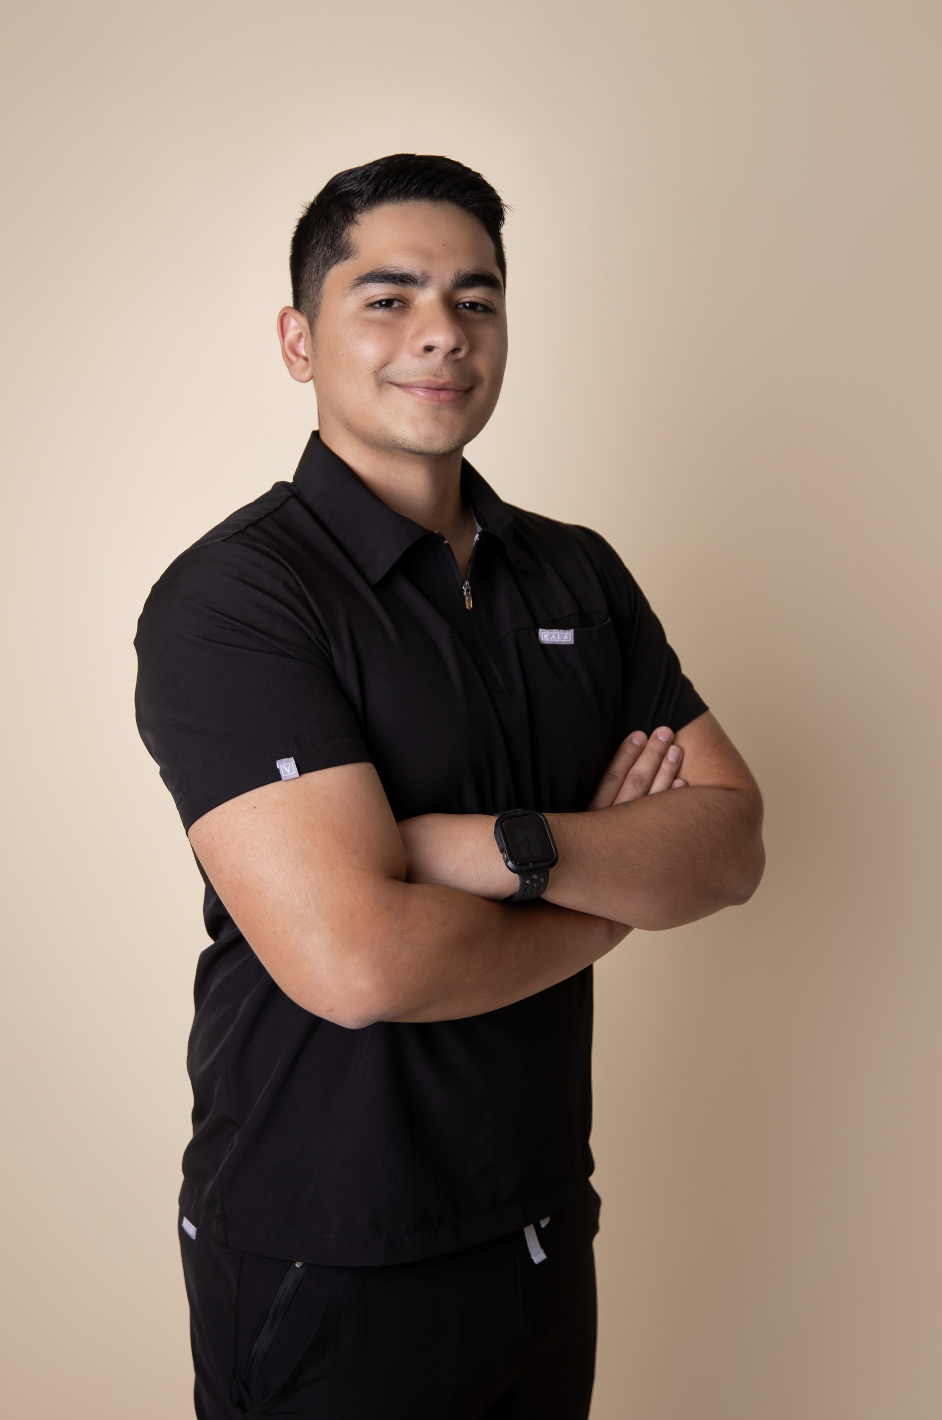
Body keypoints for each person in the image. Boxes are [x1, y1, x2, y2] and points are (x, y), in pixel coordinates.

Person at [135, 153, 764, 1420]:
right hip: (331, 1250)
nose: (442, 333)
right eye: (390, 296)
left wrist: (498, 846)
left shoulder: (575, 574)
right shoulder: (237, 600)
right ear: (299, 340)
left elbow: (733, 842)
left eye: (477, 300)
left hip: (537, 1221)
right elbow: (357, 963)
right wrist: (613, 888)